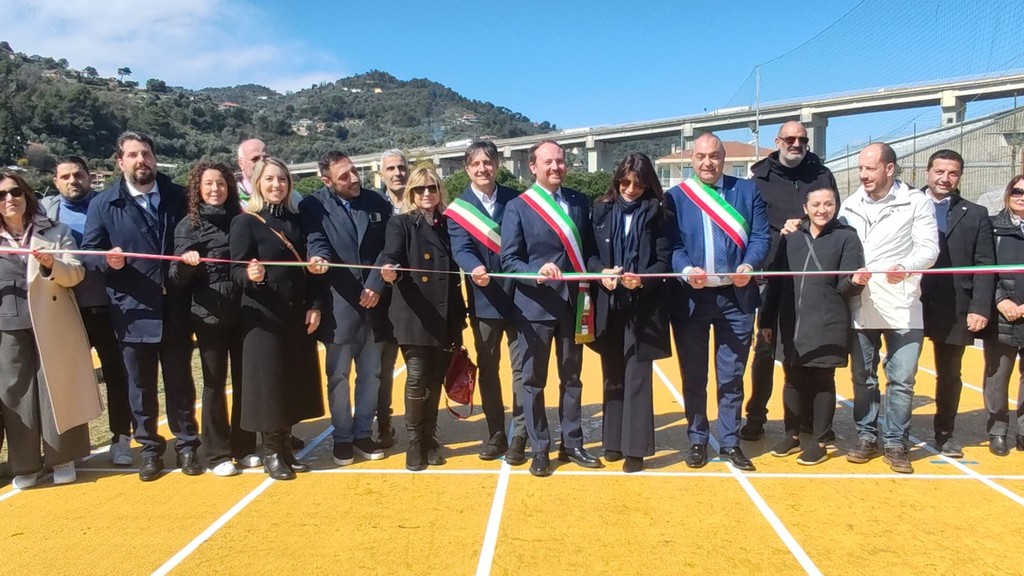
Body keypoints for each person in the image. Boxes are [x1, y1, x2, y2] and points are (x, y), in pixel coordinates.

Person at [81, 131, 201, 481]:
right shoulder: (103, 204)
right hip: (132, 310)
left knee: (180, 382)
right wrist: (107, 260)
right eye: (133, 155)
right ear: (120, 161)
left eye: (146, 153)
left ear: (154, 157)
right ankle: (149, 450)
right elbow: (88, 254)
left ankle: (187, 445)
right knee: (140, 386)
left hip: (176, 307)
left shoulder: (179, 196)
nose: (141, 160)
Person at [666, 132, 771, 472]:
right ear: (691, 160)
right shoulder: (677, 197)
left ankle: (729, 442)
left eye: (714, 156)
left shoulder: (747, 191)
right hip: (692, 299)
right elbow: (672, 245)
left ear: (723, 159)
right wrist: (685, 270)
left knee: (731, 375)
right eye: (701, 157)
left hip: (735, 298)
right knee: (694, 375)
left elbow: (760, 236)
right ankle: (698, 439)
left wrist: (749, 266)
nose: (707, 163)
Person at [501, 140, 602, 477]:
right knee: (533, 381)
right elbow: (509, 260)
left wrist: (601, 271)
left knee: (572, 379)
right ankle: (540, 448)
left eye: (560, 161)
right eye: (549, 162)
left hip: (574, 304)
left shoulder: (578, 201)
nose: (556, 167)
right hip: (535, 306)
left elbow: (588, 251)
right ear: (533, 167)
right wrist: (535, 272)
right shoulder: (517, 207)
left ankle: (572, 444)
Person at [837, 142, 938, 474]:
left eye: (870, 168)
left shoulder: (916, 202)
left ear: (889, 169)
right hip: (861, 304)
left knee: (902, 378)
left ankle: (896, 442)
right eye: (860, 168)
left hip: (903, 304)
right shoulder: (849, 205)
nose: (863, 175)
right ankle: (866, 436)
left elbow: (929, 248)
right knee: (863, 377)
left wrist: (906, 267)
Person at [0, 172, 101, 488]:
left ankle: (64, 457)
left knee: (57, 388)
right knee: (15, 395)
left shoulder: (56, 230)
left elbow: (76, 273)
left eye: (16, 192)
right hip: (7, 325)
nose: (9, 199)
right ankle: (26, 464)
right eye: (1, 195)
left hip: (53, 321)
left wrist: (50, 264)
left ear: (27, 195)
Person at [229, 157, 325, 480]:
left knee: (291, 383)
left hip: (296, 314)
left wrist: (315, 305)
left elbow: (311, 272)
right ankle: (271, 451)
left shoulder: (297, 222)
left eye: (282, 179)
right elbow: (235, 271)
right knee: (269, 386)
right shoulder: (245, 222)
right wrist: (250, 275)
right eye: (269, 179)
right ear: (257, 183)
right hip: (264, 318)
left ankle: (285, 447)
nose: (276, 185)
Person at [742, 121, 838, 442]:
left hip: (813, 273)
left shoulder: (822, 174)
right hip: (771, 272)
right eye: (790, 138)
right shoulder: (759, 179)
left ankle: (809, 421)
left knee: (809, 347)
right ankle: (756, 415)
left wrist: (807, 225)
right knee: (765, 348)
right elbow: (751, 226)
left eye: (802, 139)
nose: (796, 144)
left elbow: (832, 216)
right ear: (778, 141)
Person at [761, 187, 866, 465]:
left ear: (836, 206)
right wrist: (767, 320)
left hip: (827, 321)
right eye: (816, 204)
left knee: (822, 380)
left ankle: (820, 440)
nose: (822, 210)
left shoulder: (847, 237)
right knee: (792, 378)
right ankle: (792, 434)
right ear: (805, 209)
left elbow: (844, 286)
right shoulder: (791, 237)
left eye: (828, 204)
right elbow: (776, 281)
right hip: (791, 320)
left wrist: (855, 282)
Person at [300, 151, 391, 466]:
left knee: (371, 375)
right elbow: (316, 241)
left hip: (375, 304)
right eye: (344, 176)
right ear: (327, 181)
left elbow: (387, 248)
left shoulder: (377, 201)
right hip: (339, 306)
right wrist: (318, 258)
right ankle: (342, 438)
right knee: (338, 376)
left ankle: (363, 433)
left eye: (354, 171)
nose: (354, 179)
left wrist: (376, 285)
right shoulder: (312, 206)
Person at [42, 156, 133, 466]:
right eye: (65, 176)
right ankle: (69, 448)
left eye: (78, 174)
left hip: (108, 306)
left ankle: (121, 437)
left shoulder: (107, 206)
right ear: (55, 181)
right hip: (65, 310)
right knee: (66, 379)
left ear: (88, 176)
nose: (73, 180)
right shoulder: (45, 213)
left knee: (118, 375)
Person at [169, 162, 257, 476]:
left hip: (244, 312)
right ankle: (217, 454)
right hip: (208, 315)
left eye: (220, 183)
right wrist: (186, 264)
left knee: (246, 381)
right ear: (198, 189)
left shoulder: (242, 220)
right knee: (215, 384)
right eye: (208, 184)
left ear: (229, 187)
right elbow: (175, 278)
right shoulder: (188, 226)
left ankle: (245, 446)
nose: (215, 189)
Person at [587, 153, 672, 473]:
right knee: (612, 374)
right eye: (625, 182)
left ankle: (635, 449)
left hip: (644, 307)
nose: (631, 189)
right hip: (609, 304)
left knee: (637, 376)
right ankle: (612, 441)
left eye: (638, 183)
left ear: (648, 184)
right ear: (617, 180)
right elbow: (589, 254)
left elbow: (664, 261)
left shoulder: (660, 213)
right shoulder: (600, 209)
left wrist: (643, 280)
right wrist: (601, 272)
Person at [378, 167, 466, 471]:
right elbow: (392, 255)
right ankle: (415, 442)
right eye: (419, 189)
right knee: (416, 377)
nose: (426, 194)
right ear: (411, 193)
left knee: (435, 378)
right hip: (414, 314)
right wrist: (390, 271)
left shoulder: (449, 224)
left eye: (432, 188)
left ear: (440, 191)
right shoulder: (400, 223)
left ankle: (430, 438)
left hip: (446, 313)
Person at [446, 140, 526, 462]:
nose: (483, 169)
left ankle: (520, 433)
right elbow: (460, 247)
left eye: (488, 162)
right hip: (484, 299)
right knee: (490, 370)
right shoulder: (458, 209)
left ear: (497, 165)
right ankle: (496, 433)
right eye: (476, 164)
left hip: (520, 298)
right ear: (467, 169)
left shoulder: (516, 200)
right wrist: (473, 267)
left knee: (522, 370)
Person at [918, 150, 994, 458]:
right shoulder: (908, 205)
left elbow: (985, 264)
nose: (945, 178)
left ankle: (945, 433)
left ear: (960, 176)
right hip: (910, 302)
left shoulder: (975, 214)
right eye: (939, 172)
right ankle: (896, 432)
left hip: (955, 306)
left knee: (950, 374)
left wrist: (980, 307)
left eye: (952, 173)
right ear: (927, 172)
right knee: (900, 373)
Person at [982, 174, 1024, 456]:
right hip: (1002, 314)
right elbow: (985, 268)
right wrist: (1001, 300)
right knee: (997, 376)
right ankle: (998, 430)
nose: (1022, 197)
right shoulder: (993, 227)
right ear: (1009, 193)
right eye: (1017, 191)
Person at [374, 148, 408, 448]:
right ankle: (383, 424)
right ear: (381, 175)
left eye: (401, 167)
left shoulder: (422, 200)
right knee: (383, 369)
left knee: (421, 368)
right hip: (383, 301)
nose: (398, 173)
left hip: (417, 301)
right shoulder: (373, 207)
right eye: (391, 169)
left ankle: (421, 427)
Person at [236, 139, 269, 203]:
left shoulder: (284, 194)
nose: (262, 163)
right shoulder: (230, 196)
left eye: (266, 158)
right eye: (255, 159)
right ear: (241, 163)